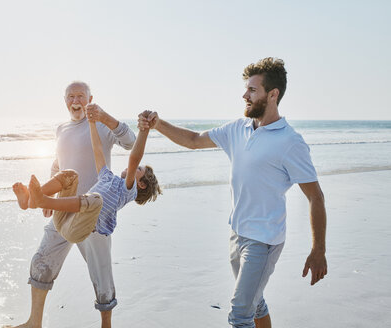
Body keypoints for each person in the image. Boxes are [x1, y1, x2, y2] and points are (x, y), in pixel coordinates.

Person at [138, 57, 328, 328]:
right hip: (236, 234)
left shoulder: (290, 142)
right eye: (246, 89)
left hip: (263, 241)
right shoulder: (237, 128)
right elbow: (193, 140)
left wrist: (318, 249)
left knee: (240, 315)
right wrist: (158, 124)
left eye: (252, 90)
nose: (244, 95)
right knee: (256, 302)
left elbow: (315, 196)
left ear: (272, 94)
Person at [6, 81, 136, 328]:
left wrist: (105, 117)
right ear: (65, 100)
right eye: (70, 96)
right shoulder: (61, 129)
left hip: (93, 211)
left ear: (90, 99)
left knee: (102, 276)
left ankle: (105, 325)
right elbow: (58, 165)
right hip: (64, 208)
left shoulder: (100, 125)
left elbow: (130, 141)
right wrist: (51, 199)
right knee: (41, 261)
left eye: (80, 96)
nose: (75, 100)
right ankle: (34, 323)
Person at [13, 102, 161, 258]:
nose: (132, 169)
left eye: (139, 170)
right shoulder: (107, 177)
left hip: (76, 230)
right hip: (63, 219)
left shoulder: (127, 191)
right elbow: (97, 150)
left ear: (141, 184)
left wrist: (144, 131)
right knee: (70, 175)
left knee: (95, 200)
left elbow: (134, 159)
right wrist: (91, 123)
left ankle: (40, 200)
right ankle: (29, 198)